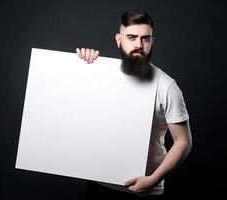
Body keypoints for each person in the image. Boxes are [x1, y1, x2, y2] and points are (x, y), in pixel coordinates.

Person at [76, 9, 192, 199]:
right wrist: (82, 63)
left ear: (152, 42)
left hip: (145, 190)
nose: (139, 44)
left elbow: (183, 141)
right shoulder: (98, 74)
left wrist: (154, 178)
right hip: (99, 184)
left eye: (145, 39)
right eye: (131, 37)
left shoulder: (167, 86)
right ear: (118, 39)